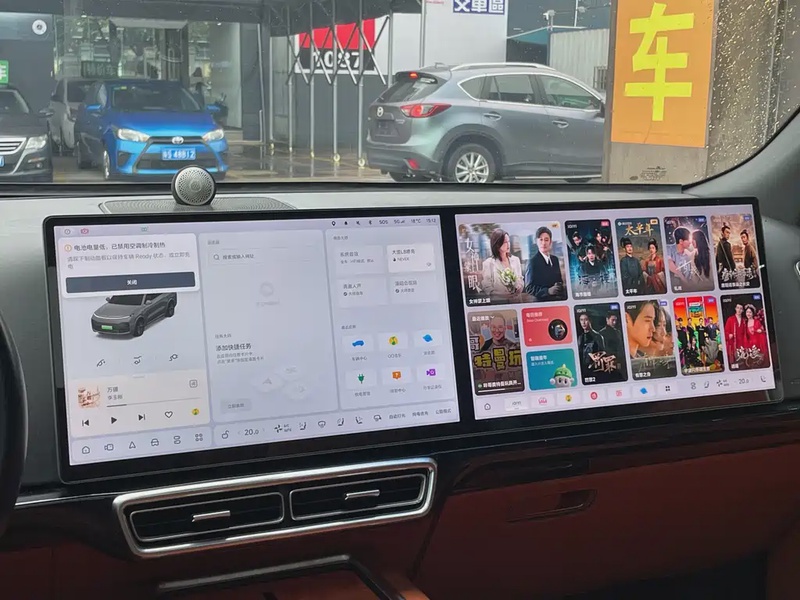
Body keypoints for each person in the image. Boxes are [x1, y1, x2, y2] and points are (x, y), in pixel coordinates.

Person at [524, 226, 566, 301]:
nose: (543, 243)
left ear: (550, 242)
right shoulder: (532, 262)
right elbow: (529, 288)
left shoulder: (555, 259)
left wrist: (559, 286)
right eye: (541, 240)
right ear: (536, 242)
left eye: (546, 240)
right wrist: (548, 291)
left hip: (557, 300)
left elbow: (559, 279)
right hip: (541, 302)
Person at [481, 229, 522, 299]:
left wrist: (519, 287)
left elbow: (520, 279)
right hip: (499, 302)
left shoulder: (516, 260)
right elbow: (487, 287)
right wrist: (501, 294)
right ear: (497, 244)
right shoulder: (488, 263)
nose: (508, 244)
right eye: (505, 242)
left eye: (509, 241)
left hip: (516, 300)